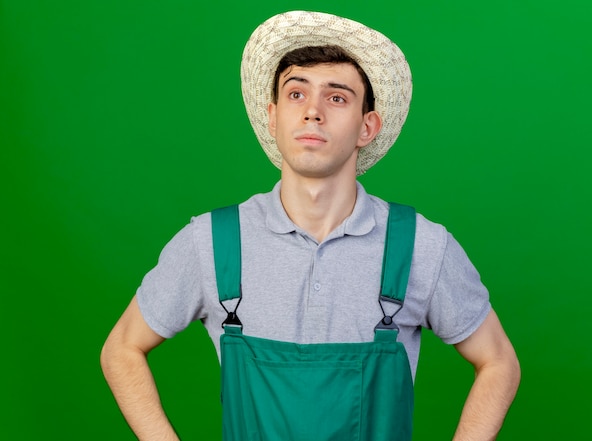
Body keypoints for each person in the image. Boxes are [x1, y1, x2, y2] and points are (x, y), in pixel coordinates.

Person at [101, 10, 520, 441]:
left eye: (337, 97)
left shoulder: (421, 246)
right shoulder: (211, 242)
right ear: (273, 115)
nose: (313, 112)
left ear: (367, 126)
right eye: (296, 94)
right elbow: (122, 349)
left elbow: (499, 361)